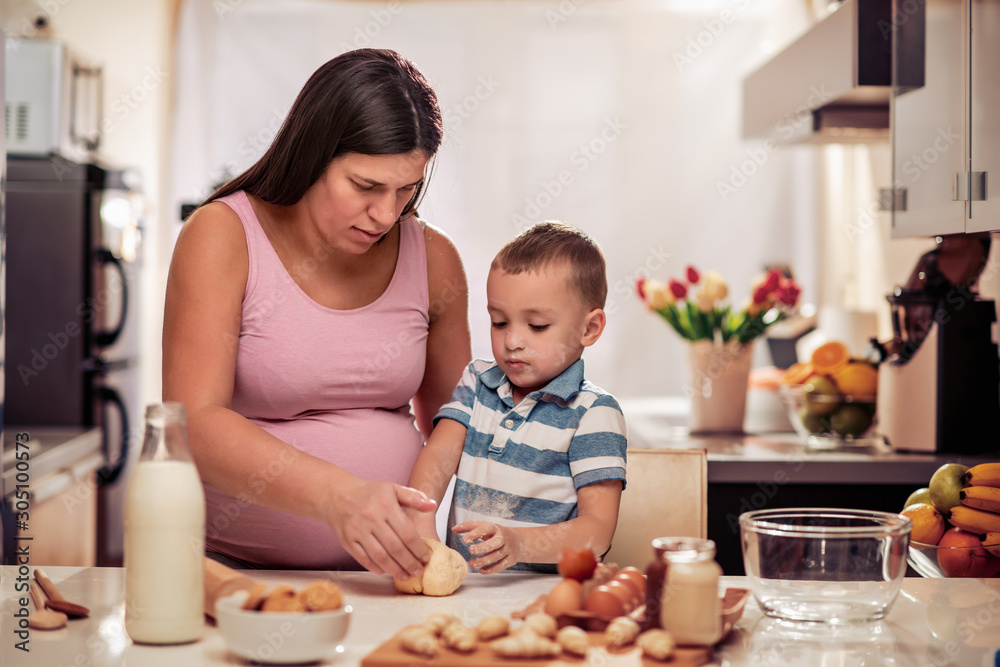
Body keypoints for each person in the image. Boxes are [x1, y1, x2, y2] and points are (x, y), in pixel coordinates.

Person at [162, 49, 472, 579]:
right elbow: (192, 423)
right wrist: (338, 496)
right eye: (365, 186)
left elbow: (459, 417)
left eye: (407, 189)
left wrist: (427, 514)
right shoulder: (222, 236)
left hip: (396, 580)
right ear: (312, 154)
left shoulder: (433, 257)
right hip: (239, 579)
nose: (386, 215)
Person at [406, 221, 627, 573]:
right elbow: (439, 455)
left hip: (544, 597)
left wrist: (519, 543)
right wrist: (420, 519)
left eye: (537, 325)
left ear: (589, 328)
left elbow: (597, 531)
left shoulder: (593, 414)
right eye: (499, 322)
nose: (512, 341)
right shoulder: (478, 382)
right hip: (465, 589)